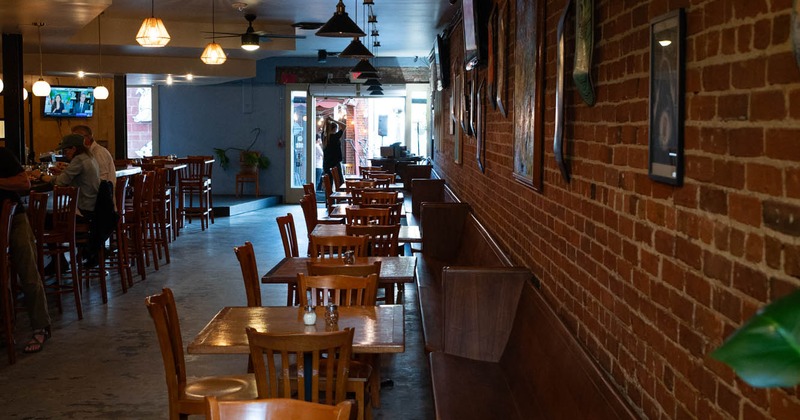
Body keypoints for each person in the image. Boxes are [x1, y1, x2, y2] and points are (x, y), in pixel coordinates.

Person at [0, 148, 52, 353]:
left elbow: (24, 183)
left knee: (28, 272)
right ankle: (6, 327)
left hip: (15, 219)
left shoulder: (2, 155)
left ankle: (40, 327)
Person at [72, 125, 115, 191]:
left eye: (76, 138)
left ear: (88, 137)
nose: (73, 141)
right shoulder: (88, 152)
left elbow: (103, 179)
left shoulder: (99, 152)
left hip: (101, 194)